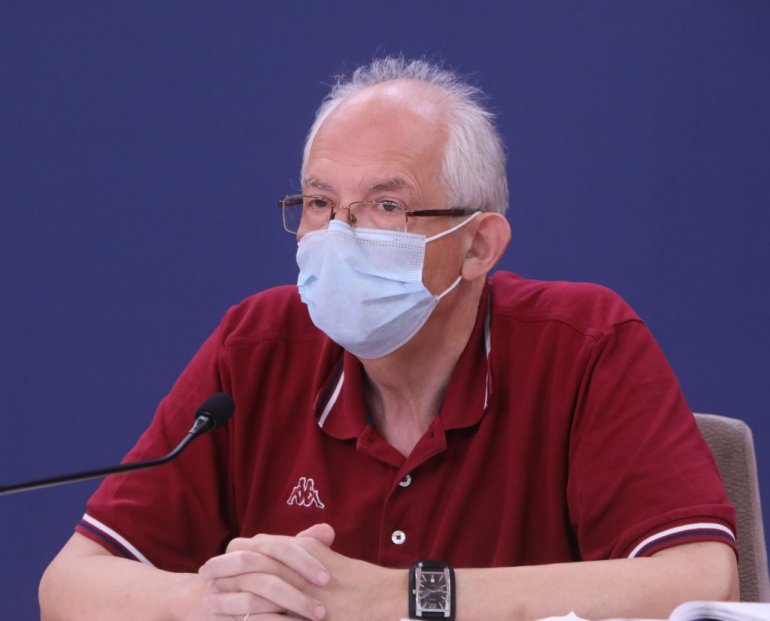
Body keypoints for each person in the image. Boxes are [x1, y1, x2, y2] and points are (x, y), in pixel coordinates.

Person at [39, 57, 738, 621]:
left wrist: (398, 598)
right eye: (320, 203)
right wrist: (223, 601)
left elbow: (700, 583)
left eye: (386, 205)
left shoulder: (585, 343)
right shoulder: (255, 346)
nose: (338, 236)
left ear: (478, 245)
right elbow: (71, 584)